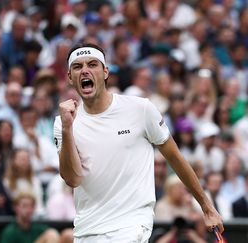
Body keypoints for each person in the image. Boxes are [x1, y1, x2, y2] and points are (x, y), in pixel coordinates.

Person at [54, 43, 223, 242]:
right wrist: (67, 128)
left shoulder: (140, 109)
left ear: (105, 72)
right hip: (86, 230)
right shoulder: (64, 122)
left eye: (92, 64)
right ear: (69, 77)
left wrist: (207, 207)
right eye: (77, 66)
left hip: (132, 226)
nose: (85, 71)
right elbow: (72, 179)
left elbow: (175, 158)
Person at [0, 191, 73, 243]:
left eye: (31, 206)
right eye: (24, 206)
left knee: (68, 234)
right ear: (16, 207)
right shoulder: (9, 231)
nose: (28, 210)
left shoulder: (38, 228)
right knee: (51, 234)